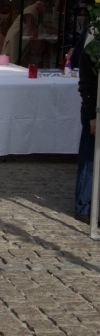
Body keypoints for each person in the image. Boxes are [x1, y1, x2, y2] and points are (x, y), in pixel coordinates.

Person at [75, 38, 98, 224]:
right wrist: (92, 116)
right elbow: (87, 85)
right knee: (90, 159)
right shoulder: (93, 50)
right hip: (94, 112)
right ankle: (83, 206)